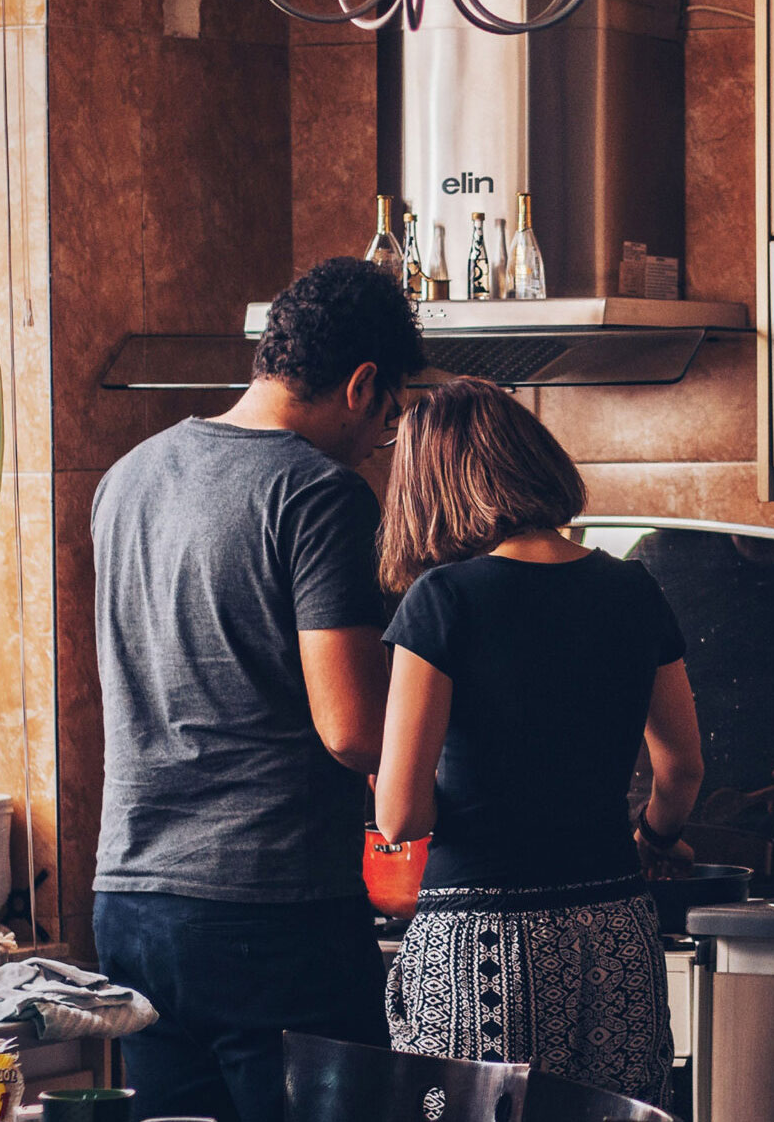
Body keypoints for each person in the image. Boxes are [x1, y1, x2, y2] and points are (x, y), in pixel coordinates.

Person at [90, 257, 426, 1122]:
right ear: (362, 385)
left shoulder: (126, 479)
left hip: (129, 900)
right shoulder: (318, 493)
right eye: (388, 422)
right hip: (270, 912)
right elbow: (352, 731)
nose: (377, 445)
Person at [373, 378, 703, 1108]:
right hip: (616, 928)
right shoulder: (633, 589)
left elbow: (400, 817)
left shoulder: (444, 600)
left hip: (482, 943)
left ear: (432, 487)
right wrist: (651, 837)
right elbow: (680, 767)